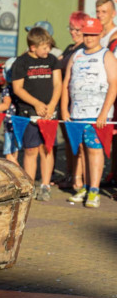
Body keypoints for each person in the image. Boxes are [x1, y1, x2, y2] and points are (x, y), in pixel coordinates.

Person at [61, 17, 117, 209]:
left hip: (97, 114)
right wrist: (64, 108)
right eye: (86, 34)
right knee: (82, 150)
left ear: (100, 34)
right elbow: (66, 82)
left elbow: (114, 84)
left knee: (95, 149)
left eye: (93, 34)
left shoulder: (107, 55)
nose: (89, 38)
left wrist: (103, 113)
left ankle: (94, 190)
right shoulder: (76, 55)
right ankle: (84, 186)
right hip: (76, 113)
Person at [12, 27, 62, 201]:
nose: (47, 51)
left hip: (50, 113)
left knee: (46, 149)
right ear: (33, 47)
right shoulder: (21, 62)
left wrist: (52, 105)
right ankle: (30, 184)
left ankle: (46, 185)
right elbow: (17, 88)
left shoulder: (52, 60)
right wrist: (36, 103)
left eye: (49, 47)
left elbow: (58, 84)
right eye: (44, 48)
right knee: (31, 150)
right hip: (29, 113)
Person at [57, 12, 89, 191]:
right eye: (72, 28)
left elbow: (59, 65)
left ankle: (81, 178)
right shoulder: (70, 48)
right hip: (65, 100)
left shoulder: (83, 48)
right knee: (69, 141)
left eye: (78, 29)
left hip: (77, 102)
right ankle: (71, 175)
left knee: (79, 143)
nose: (74, 32)